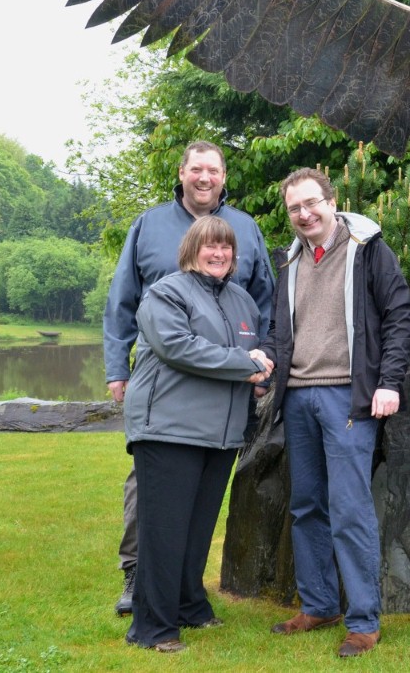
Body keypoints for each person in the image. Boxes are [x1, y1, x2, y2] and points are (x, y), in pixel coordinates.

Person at [104, 140, 274, 616]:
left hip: (227, 394)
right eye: (196, 169)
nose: (204, 178)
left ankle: (183, 589)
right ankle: (138, 574)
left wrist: (263, 365)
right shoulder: (149, 226)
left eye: (213, 170)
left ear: (224, 177)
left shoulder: (245, 229)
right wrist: (118, 367)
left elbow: (266, 305)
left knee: (201, 495)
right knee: (153, 484)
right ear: (181, 173)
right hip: (171, 389)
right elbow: (122, 301)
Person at [259, 167, 410, 658]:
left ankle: (364, 620)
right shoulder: (288, 260)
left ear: (332, 200)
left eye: (311, 203)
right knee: (306, 506)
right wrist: (265, 365)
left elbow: (399, 317)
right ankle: (320, 603)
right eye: (294, 208)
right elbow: (276, 327)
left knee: (349, 509)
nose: (304, 214)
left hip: (348, 397)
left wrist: (389, 382)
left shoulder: (368, 250)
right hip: (297, 398)